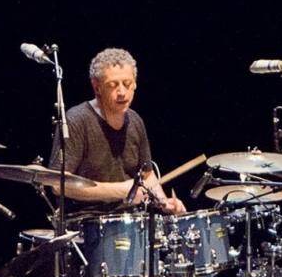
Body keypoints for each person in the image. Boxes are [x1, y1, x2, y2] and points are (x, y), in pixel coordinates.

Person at [51, 47, 185, 215]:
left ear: (135, 84)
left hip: (132, 219)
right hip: (86, 222)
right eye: (113, 85)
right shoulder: (76, 120)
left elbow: (148, 176)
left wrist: (163, 201)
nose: (122, 92)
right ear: (97, 87)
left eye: (127, 84)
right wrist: (121, 190)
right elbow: (57, 184)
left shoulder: (135, 121)